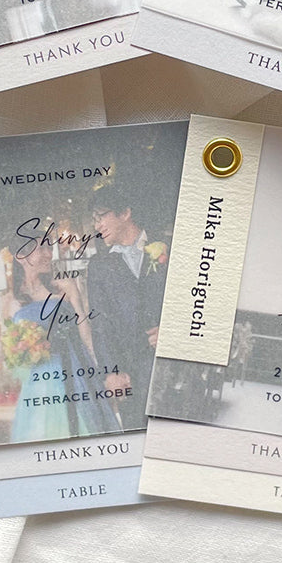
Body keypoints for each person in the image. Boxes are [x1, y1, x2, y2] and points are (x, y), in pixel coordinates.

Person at [6, 231, 114, 441]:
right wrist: (25, 350)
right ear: (21, 256)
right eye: (41, 248)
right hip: (38, 385)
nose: (48, 254)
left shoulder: (63, 286)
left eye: (49, 248)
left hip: (74, 373)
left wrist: (100, 372)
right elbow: (12, 356)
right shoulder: (12, 301)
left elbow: (85, 335)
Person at [86, 184, 169, 430]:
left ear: (125, 213)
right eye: (94, 220)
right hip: (130, 377)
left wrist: (173, 331)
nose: (97, 226)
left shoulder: (168, 246)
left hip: (172, 370)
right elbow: (100, 325)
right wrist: (110, 374)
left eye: (101, 217)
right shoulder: (98, 265)